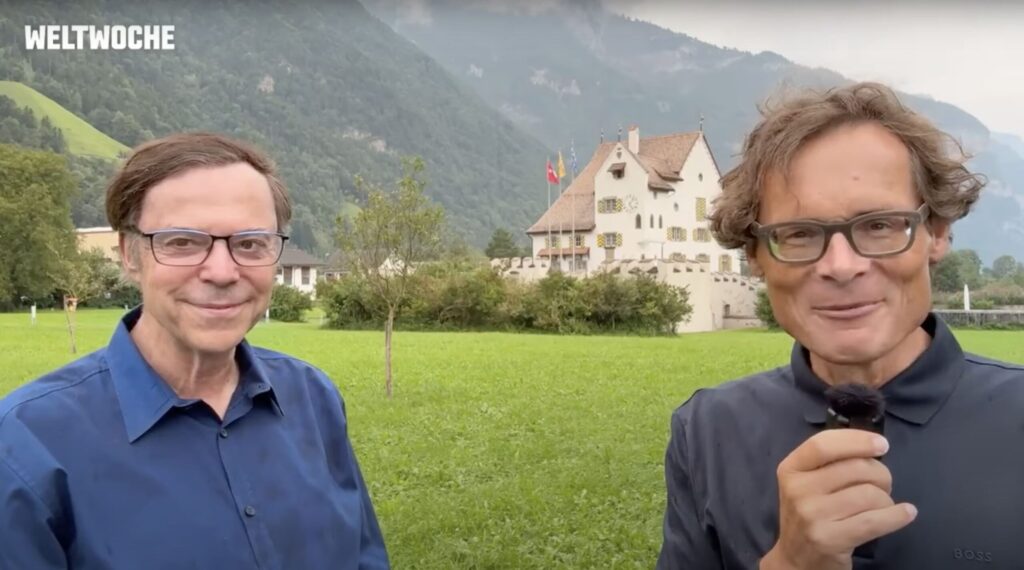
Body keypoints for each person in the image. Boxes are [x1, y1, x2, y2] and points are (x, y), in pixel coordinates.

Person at [656, 82, 1024, 569]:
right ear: (756, 256)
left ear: (936, 233)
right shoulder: (706, 431)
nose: (842, 266)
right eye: (799, 233)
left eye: (879, 225)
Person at [0, 132, 389, 569]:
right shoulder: (26, 445)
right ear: (129, 254)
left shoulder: (314, 399)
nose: (222, 272)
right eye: (182, 242)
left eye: (250, 243)